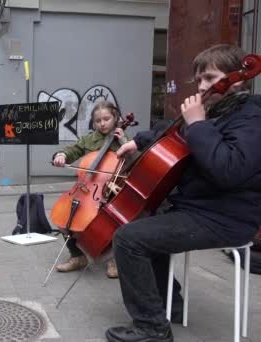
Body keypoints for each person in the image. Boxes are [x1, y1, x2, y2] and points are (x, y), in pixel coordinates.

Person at [105, 44, 261, 342]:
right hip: (199, 207)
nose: (202, 86)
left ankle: (152, 328)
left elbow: (228, 170)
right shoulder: (220, 109)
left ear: (237, 79)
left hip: (227, 216)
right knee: (145, 219)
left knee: (128, 239)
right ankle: (170, 305)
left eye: (210, 78)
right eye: (199, 79)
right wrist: (138, 142)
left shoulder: (252, 118)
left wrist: (199, 123)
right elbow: (173, 131)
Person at [51, 101, 128, 279]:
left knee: (113, 221)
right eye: (98, 120)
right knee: (64, 218)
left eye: (107, 119)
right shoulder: (90, 139)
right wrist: (61, 155)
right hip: (88, 190)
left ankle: (115, 259)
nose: (102, 123)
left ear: (115, 118)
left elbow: (136, 160)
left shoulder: (124, 140)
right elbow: (73, 150)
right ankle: (78, 257)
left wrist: (123, 140)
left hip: (113, 192)